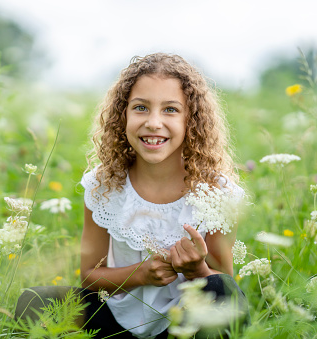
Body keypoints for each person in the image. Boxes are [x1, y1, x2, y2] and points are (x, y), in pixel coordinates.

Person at [15, 53, 248, 338]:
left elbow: (223, 280)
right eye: (141, 108)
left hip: (182, 327)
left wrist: (196, 268)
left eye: (170, 110)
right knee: (37, 301)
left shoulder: (216, 193)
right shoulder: (104, 185)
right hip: (115, 324)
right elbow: (89, 275)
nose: (153, 122)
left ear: (192, 120)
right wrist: (141, 274)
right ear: (122, 115)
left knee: (222, 291)